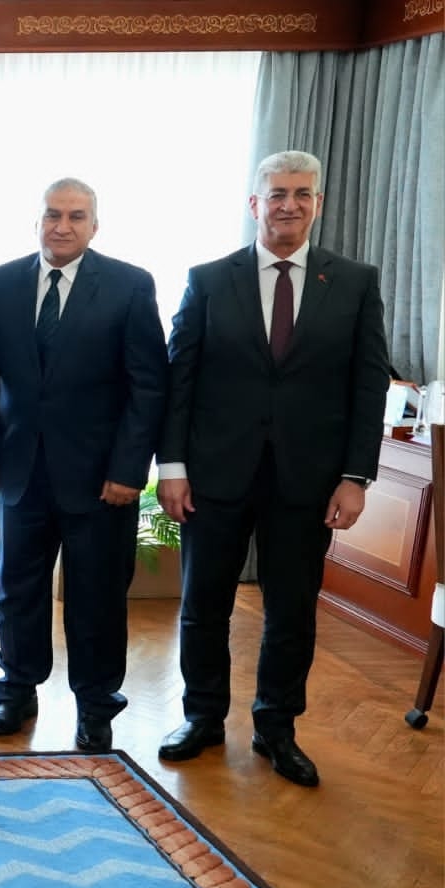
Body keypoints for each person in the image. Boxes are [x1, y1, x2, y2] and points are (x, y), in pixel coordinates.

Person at [155, 151, 389, 787]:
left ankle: (276, 727)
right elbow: (180, 380)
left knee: (292, 611)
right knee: (204, 605)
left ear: (318, 204)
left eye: (302, 194)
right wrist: (171, 466)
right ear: (255, 203)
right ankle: (202, 717)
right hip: (214, 475)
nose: (290, 204)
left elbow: (369, 386)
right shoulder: (208, 279)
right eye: (278, 193)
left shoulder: (355, 282)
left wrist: (355, 476)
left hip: (308, 481)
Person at [0, 178, 168, 751]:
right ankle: (15, 691)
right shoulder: (0, 282)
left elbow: (148, 385)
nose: (62, 226)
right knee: (18, 590)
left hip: (102, 478)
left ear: (94, 226)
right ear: (36, 221)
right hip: (20, 471)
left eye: (76, 216)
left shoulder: (130, 284)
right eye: (53, 215)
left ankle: (96, 705)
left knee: (97, 596)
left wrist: (129, 470)